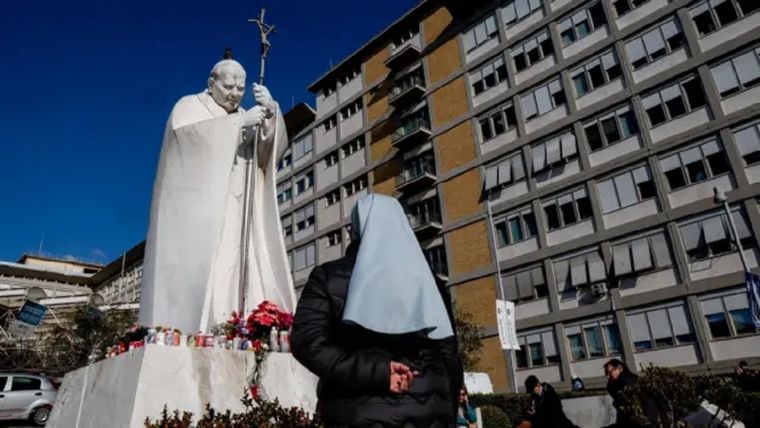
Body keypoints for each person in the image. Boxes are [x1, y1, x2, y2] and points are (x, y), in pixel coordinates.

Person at [139, 51, 295, 333]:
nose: (235, 95)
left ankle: (243, 323)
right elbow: (184, 141)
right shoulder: (189, 106)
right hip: (206, 211)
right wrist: (237, 126)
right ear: (211, 83)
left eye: (240, 88)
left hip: (241, 208)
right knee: (213, 269)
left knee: (242, 265)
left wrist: (271, 115)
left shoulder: (247, 114)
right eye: (228, 87)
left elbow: (268, 154)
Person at [291, 194, 463, 427]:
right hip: (433, 413)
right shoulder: (431, 283)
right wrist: (448, 411)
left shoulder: (329, 277)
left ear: (356, 230)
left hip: (357, 412)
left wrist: (376, 373)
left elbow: (308, 343)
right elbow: (449, 354)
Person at [604, 359, 655, 427]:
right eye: (606, 373)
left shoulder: (623, 381)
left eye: (610, 372)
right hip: (643, 419)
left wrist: (610, 386)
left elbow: (622, 404)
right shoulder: (630, 378)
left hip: (641, 421)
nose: (608, 376)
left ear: (620, 368)